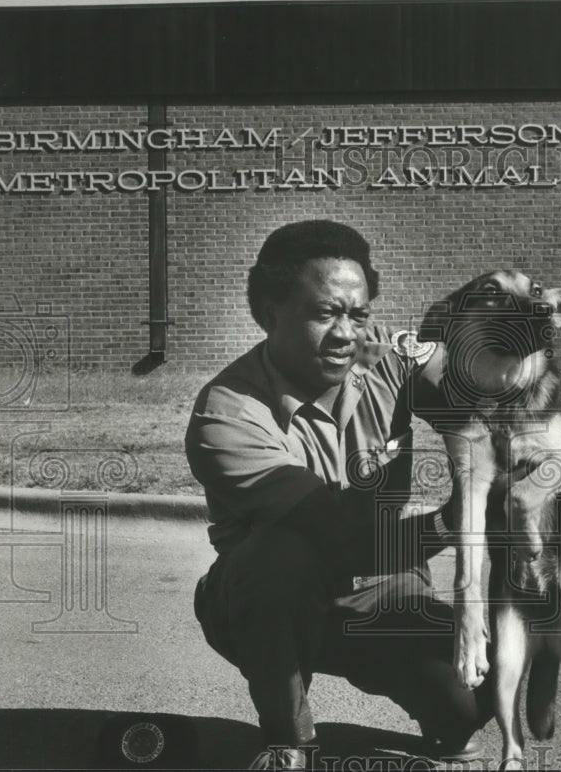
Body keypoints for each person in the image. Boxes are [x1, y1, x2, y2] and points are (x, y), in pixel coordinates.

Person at [187, 220, 492, 770]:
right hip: (269, 598)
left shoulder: (390, 364)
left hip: (383, 589)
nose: (346, 333)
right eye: (325, 313)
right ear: (268, 313)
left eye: (359, 314)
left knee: (484, 688)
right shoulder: (226, 416)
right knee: (281, 555)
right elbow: (339, 539)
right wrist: (451, 523)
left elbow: (476, 407)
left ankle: (441, 708)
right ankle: (289, 739)